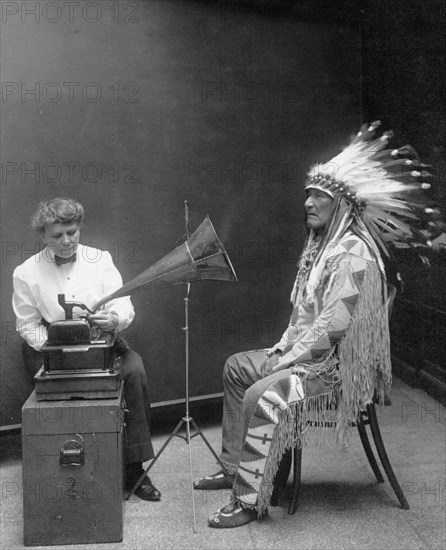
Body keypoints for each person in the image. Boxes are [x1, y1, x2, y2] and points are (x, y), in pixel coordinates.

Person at [194, 121, 437, 528]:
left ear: (340, 206)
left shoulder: (353, 256)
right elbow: (304, 315)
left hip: (337, 371)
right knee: (238, 366)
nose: (307, 201)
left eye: (319, 196)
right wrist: (282, 349)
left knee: (263, 392)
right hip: (312, 357)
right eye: (308, 193)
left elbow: (332, 330)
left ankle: (251, 499)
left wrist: (286, 361)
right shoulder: (322, 248)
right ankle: (236, 467)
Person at [12, 197, 161, 502]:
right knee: (59, 392)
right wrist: (56, 344)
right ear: (43, 236)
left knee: (134, 371)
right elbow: (26, 325)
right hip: (51, 351)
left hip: (101, 341)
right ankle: (68, 470)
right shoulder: (25, 273)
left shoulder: (100, 259)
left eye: (72, 232)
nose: (66, 241)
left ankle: (135, 469)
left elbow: (123, 302)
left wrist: (115, 318)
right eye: (57, 236)